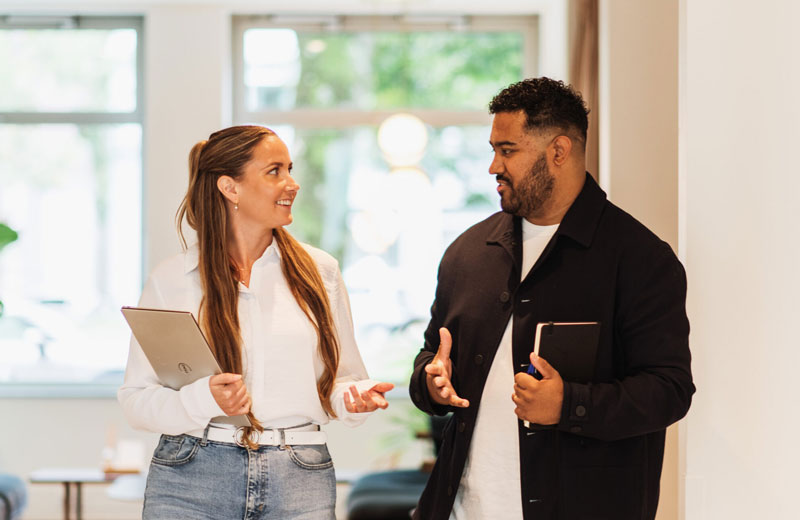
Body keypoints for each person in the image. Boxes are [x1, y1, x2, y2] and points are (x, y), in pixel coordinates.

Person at [409, 78, 694, 520]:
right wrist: (432, 381)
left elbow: (669, 391)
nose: (493, 167)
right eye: (493, 149)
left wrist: (569, 405)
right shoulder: (467, 253)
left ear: (558, 151)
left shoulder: (639, 259)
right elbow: (432, 353)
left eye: (507, 150)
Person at [119, 125, 393, 519]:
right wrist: (204, 400)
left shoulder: (321, 272)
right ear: (230, 188)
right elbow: (136, 402)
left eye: (290, 169)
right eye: (274, 171)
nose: (292, 183)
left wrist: (354, 398)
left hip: (299, 477)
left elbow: (340, 381)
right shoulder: (172, 280)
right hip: (192, 476)